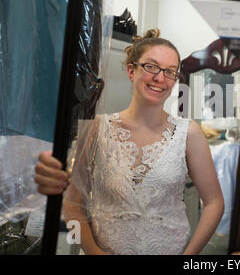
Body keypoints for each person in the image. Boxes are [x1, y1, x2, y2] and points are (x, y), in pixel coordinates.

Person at [34, 29, 224, 255]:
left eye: (170, 72)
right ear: (131, 70)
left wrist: (189, 256)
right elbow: (73, 206)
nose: (160, 78)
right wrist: (94, 252)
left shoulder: (189, 133)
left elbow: (214, 203)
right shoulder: (96, 129)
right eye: (151, 67)